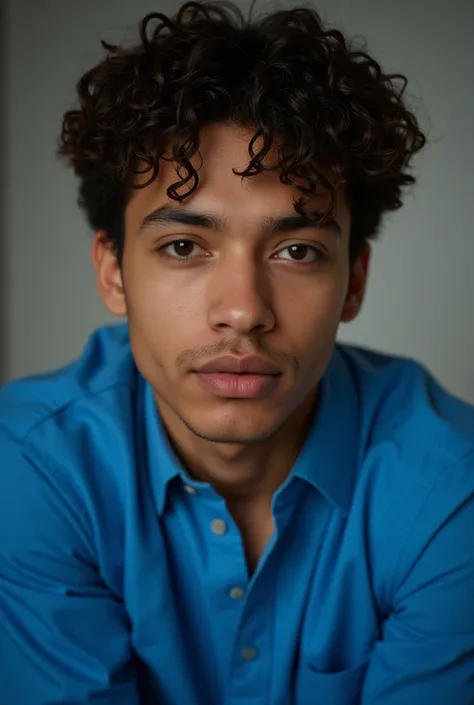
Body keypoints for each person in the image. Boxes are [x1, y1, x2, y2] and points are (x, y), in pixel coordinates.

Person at [1, 1, 473, 703]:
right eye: (184, 246)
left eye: (297, 250)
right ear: (112, 272)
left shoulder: (451, 490)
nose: (244, 309)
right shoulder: (30, 465)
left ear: (355, 282)